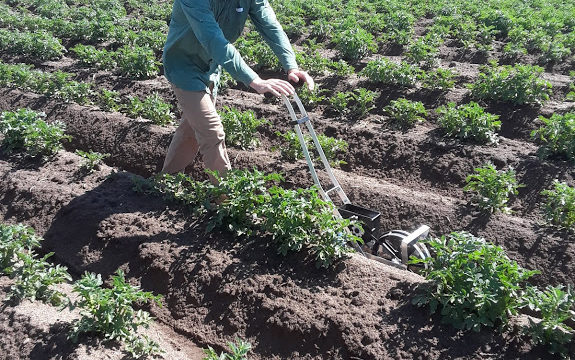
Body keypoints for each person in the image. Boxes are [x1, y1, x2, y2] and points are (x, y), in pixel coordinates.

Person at [161, 0, 314, 181]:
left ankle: (166, 182)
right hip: (184, 68)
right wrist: (254, 80)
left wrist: (291, 67)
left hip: (210, 67)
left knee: (192, 128)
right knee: (211, 131)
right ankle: (225, 199)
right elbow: (213, 39)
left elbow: (270, 26)